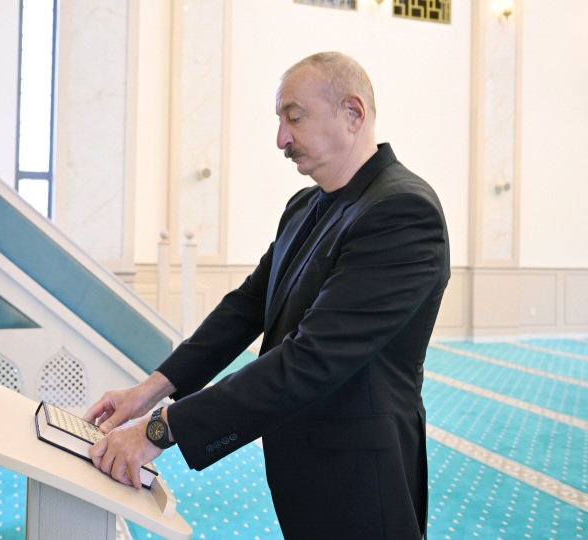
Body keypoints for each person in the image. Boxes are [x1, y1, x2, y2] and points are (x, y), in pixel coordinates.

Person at [83, 51, 449, 540]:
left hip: (361, 476)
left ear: (353, 113)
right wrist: (148, 390)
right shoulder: (304, 205)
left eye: (294, 118)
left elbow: (311, 359)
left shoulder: (402, 212)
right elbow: (246, 308)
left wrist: (160, 429)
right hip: (302, 462)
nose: (281, 138)